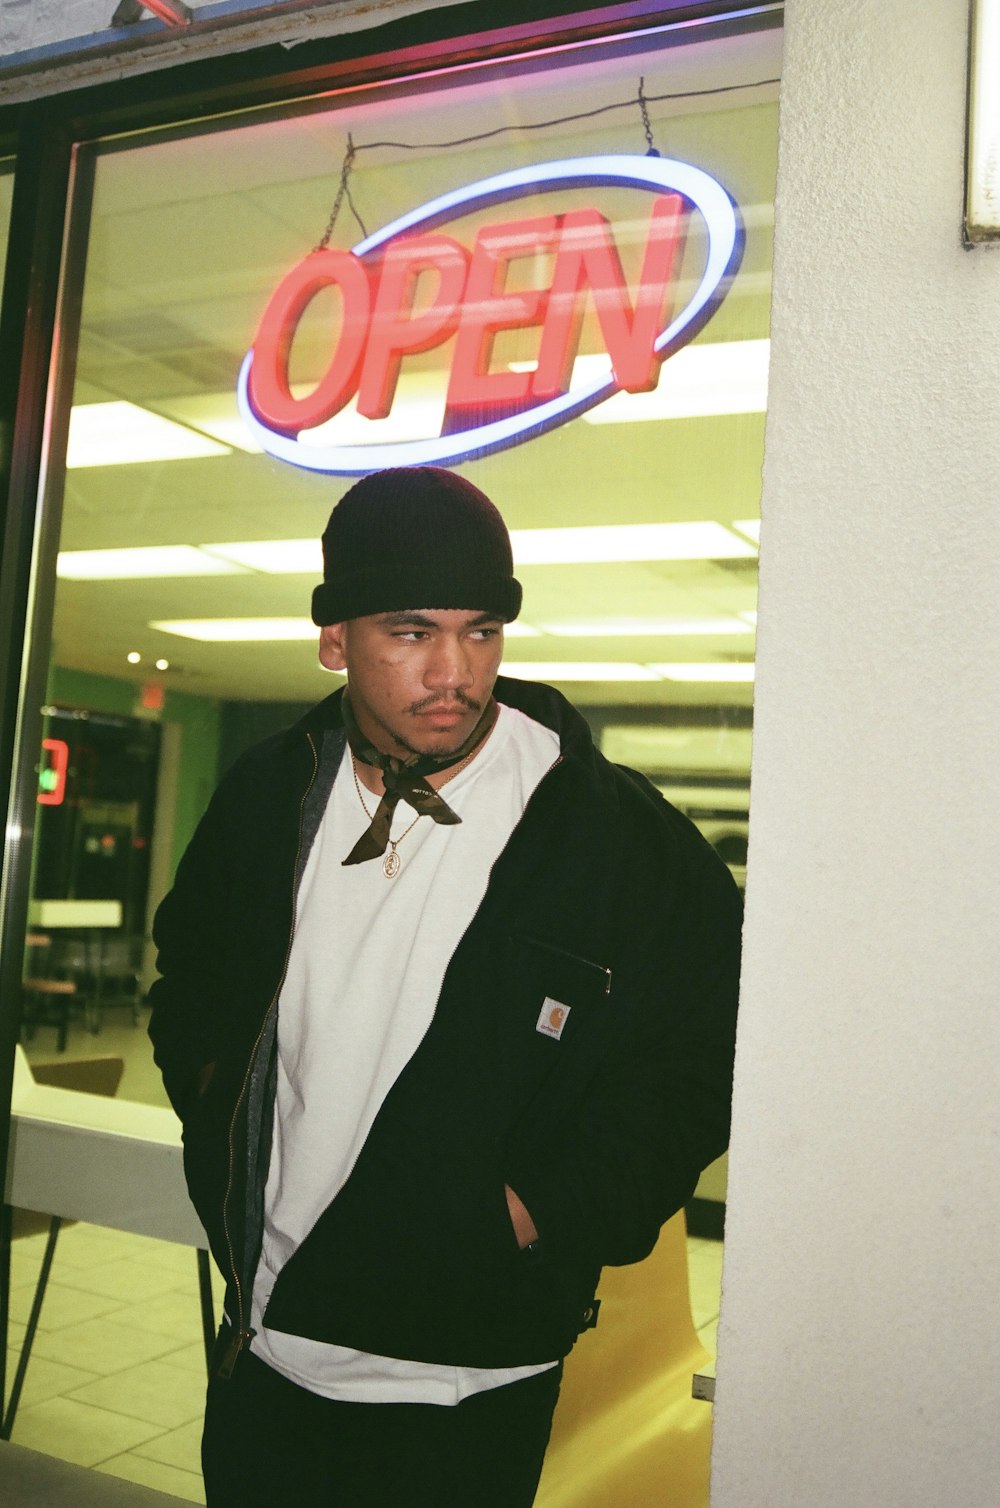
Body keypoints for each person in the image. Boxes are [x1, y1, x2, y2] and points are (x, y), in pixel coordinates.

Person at [148, 465, 743, 1507]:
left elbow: (708, 1048)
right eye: (412, 633)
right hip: (265, 1348)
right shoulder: (268, 791)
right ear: (336, 640)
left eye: (482, 633)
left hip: (472, 1375)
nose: (455, 672)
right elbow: (191, 974)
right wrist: (211, 1097)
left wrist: (539, 1207)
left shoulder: (608, 832)